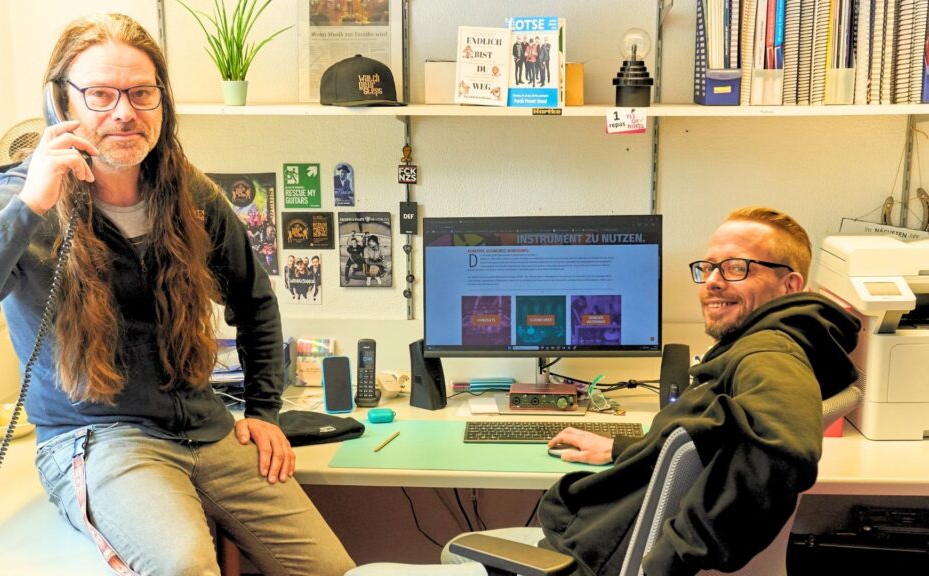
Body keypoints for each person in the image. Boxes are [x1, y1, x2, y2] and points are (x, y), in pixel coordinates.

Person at [0, 14, 353, 576]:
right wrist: (30, 207)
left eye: (142, 94)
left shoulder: (189, 192)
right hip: (98, 439)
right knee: (184, 566)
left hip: (206, 428)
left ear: (162, 104)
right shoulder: (24, 200)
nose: (124, 112)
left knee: (335, 571)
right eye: (100, 94)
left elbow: (254, 299)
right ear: (61, 104)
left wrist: (264, 409)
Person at [351, 207, 860, 576]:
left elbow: (786, 450)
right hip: (612, 544)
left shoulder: (770, 352)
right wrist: (621, 448)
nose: (711, 282)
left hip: (610, 559)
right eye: (707, 268)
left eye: (736, 268)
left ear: (791, 286)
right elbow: (702, 447)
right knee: (467, 544)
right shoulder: (770, 343)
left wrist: (671, 559)